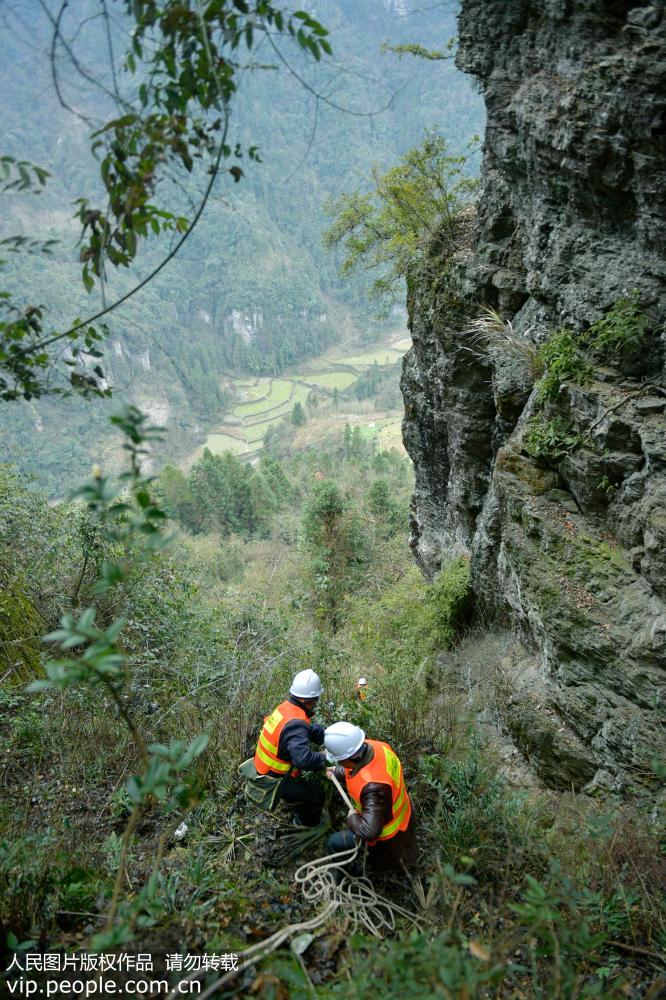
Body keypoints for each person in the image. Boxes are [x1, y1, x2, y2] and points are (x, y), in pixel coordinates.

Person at [323, 721, 416, 871]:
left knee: (336, 843)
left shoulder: (373, 788)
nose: (340, 764)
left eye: (339, 761)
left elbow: (369, 831)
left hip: (389, 840)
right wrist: (337, 772)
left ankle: (362, 873)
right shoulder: (377, 746)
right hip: (402, 817)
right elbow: (357, 769)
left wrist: (352, 817)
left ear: (347, 759)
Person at [252, 669, 327, 826]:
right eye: (315, 699)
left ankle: (297, 802)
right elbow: (304, 760)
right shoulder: (297, 724)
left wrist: (327, 737)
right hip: (272, 782)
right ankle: (303, 823)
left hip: (262, 769)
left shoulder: (286, 708)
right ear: (309, 700)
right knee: (316, 794)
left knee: (305, 789)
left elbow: (305, 728)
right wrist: (325, 757)